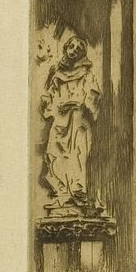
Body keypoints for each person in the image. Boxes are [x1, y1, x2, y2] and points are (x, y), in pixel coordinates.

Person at [41, 34, 101, 212]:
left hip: (77, 120)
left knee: (76, 154)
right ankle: (61, 193)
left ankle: (76, 194)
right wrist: (49, 104)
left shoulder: (87, 74)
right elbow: (51, 99)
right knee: (53, 152)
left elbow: (93, 96)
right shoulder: (57, 74)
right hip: (60, 121)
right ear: (66, 48)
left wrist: (78, 102)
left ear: (83, 54)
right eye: (72, 47)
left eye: (79, 49)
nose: (74, 50)